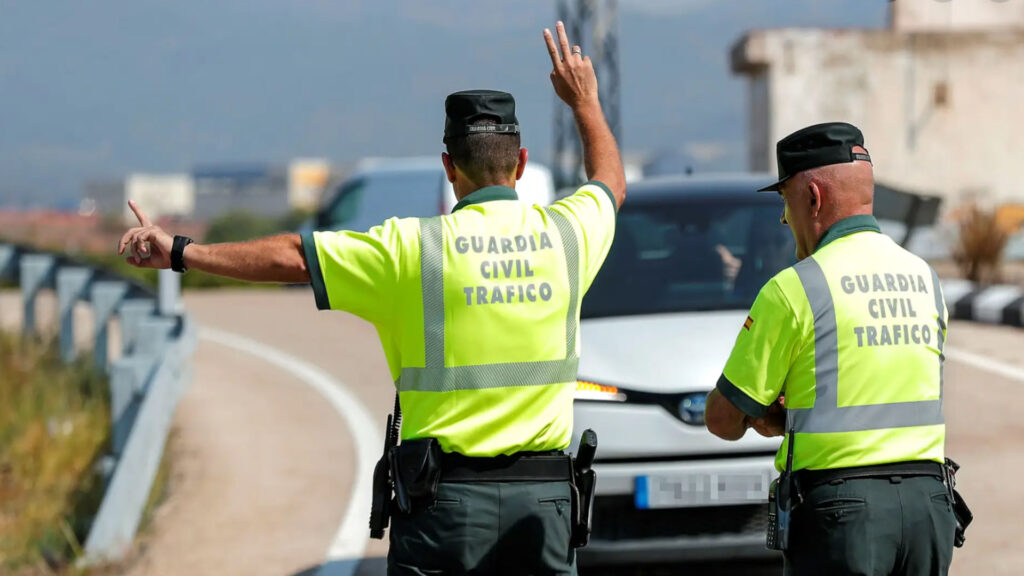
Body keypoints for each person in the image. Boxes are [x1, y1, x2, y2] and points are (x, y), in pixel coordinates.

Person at [118, 21, 625, 576]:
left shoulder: (411, 249)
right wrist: (586, 102)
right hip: (544, 506)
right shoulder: (569, 235)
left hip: (445, 509)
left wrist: (181, 252)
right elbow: (609, 184)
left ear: (449, 167)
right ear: (521, 164)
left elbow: (292, 256)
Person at [703, 122, 959, 575]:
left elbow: (723, 420)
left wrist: (772, 417)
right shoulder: (926, 279)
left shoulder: (795, 289)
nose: (785, 218)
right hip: (928, 508)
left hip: (843, 516)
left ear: (813, 198)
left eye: (786, 201)